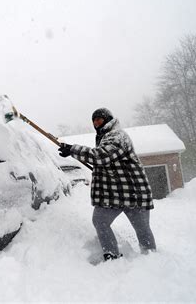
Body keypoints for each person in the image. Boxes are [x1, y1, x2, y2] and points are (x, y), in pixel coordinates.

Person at [58, 108, 156, 262]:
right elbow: (105, 161)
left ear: (108, 119)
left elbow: (102, 156)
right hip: (113, 195)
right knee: (100, 221)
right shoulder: (104, 138)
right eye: (94, 120)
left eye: (99, 119)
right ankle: (111, 254)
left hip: (133, 193)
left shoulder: (118, 136)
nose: (96, 122)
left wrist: (73, 149)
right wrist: (74, 153)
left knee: (142, 230)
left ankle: (152, 258)